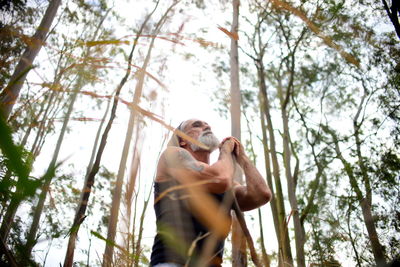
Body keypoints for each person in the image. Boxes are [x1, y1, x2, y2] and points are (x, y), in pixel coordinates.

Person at [150, 119, 272, 267]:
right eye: (196, 125)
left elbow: (261, 195)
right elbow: (220, 179)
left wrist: (242, 157)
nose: (206, 126)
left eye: (208, 124)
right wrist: (225, 151)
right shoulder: (173, 155)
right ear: (182, 140)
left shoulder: (227, 185)